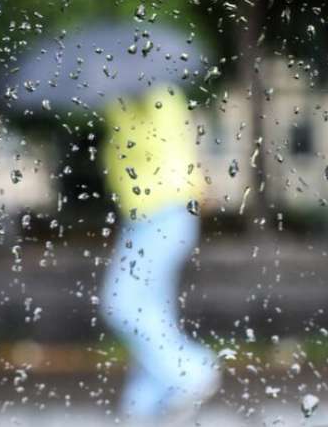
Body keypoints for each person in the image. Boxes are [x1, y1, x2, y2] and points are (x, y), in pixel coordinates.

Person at [99, 85, 220, 422]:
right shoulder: (132, 99)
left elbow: (153, 148)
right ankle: (144, 406)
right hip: (149, 216)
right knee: (152, 311)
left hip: (162, 212)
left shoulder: (154, 96)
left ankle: (192, 371)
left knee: (121, 303)